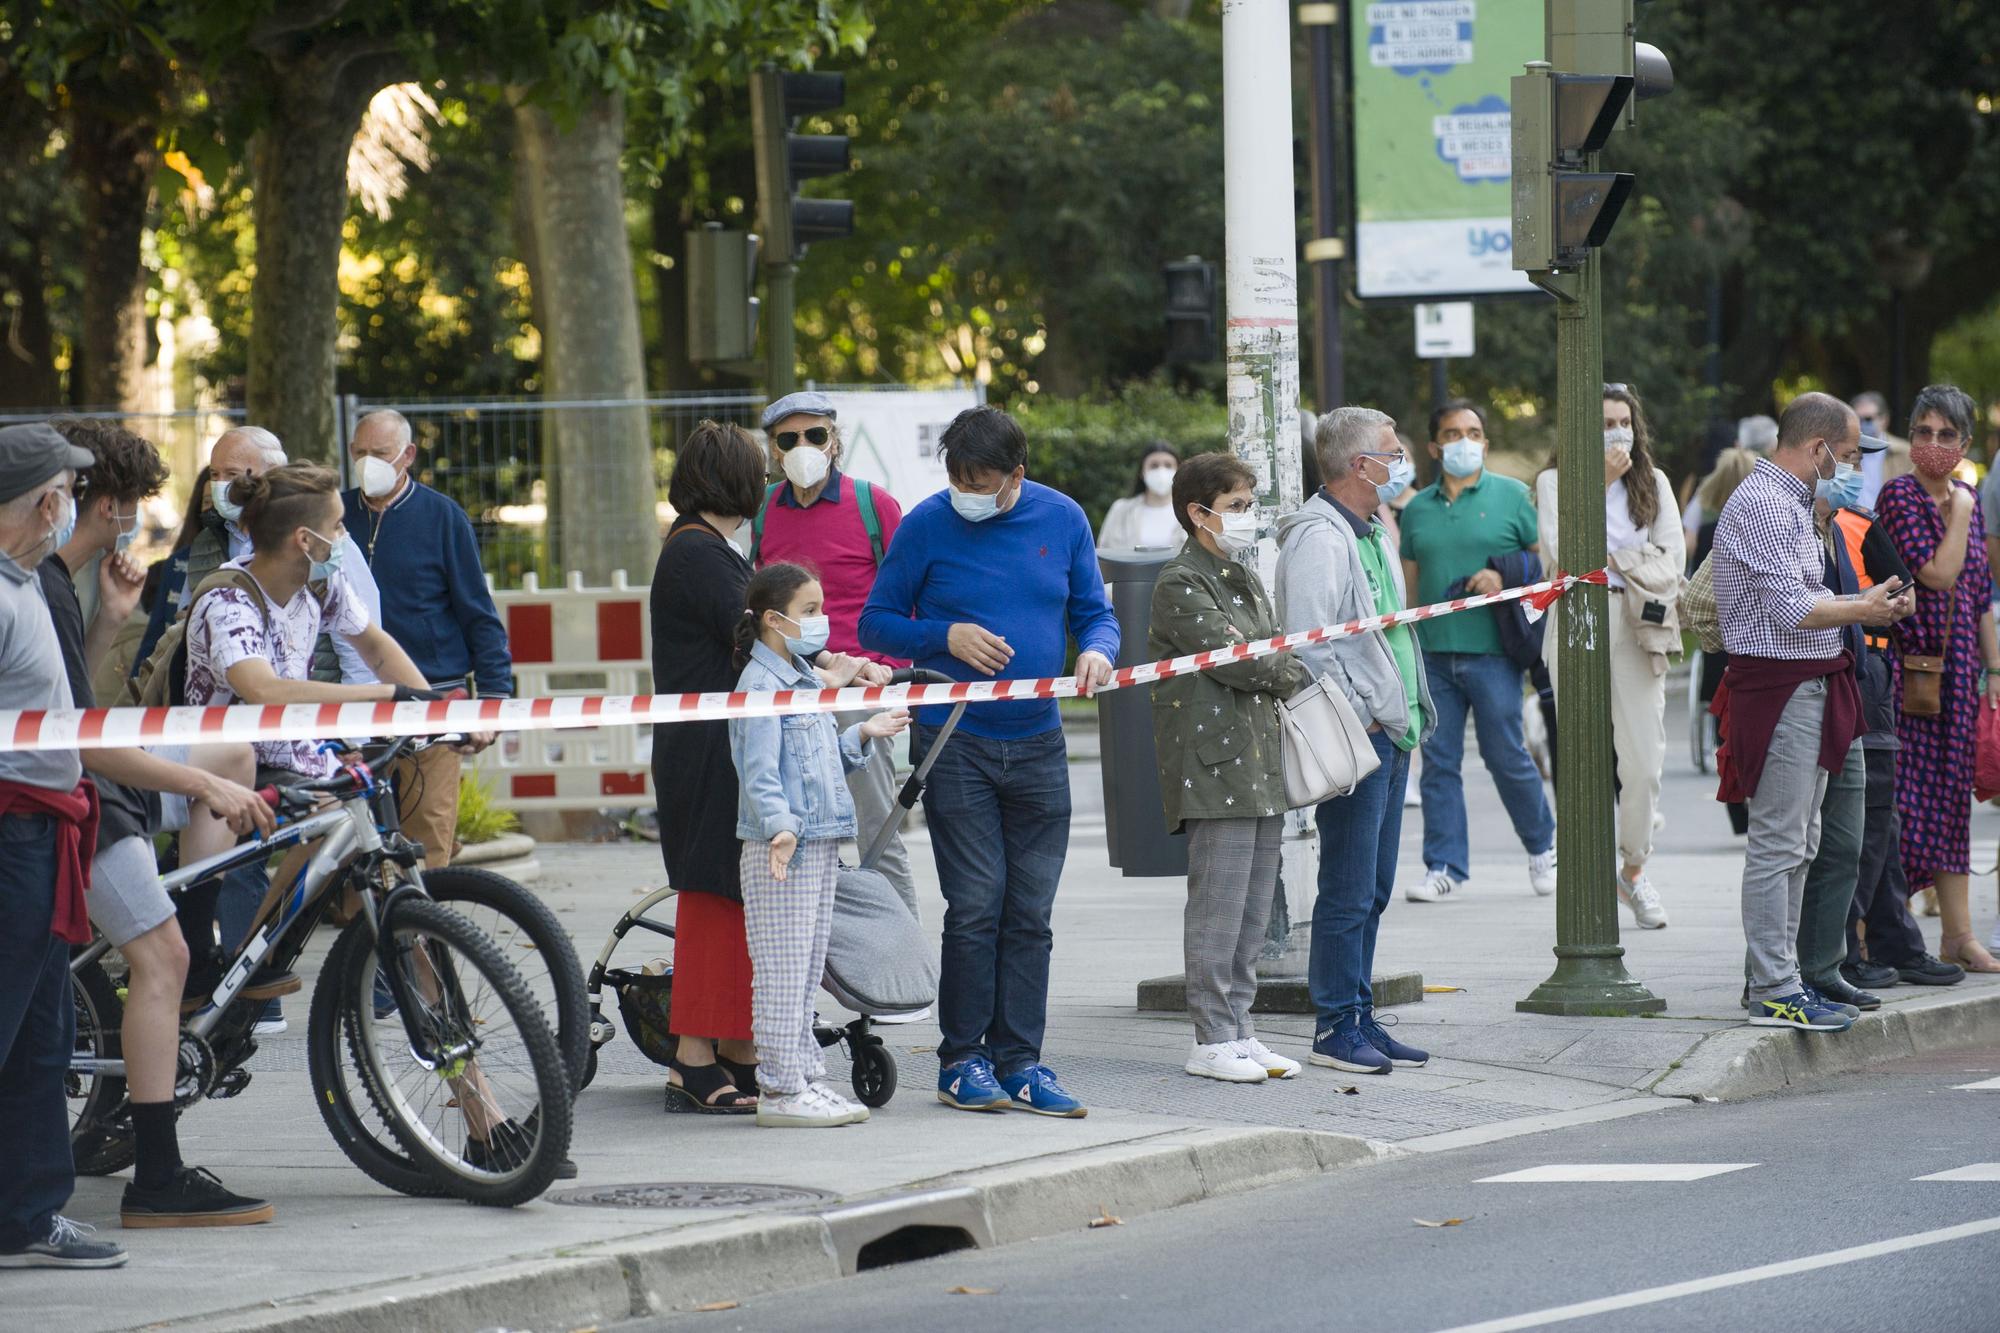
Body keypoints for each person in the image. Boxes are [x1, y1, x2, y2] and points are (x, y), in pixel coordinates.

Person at [40, 418, 276, 1227]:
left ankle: (199, 938)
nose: (135, 517)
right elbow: (78, 740)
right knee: (158, 956)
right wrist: (192, 780)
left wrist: (110, 617)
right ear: (104, 503)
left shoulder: (61, 582)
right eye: (133, 500)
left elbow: (71, 708)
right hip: (76, 799)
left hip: (90, 782)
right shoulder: (39, 584)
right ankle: (158, 1174)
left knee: (233, 753)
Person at [859, 405, 1118, 1118]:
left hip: (1039, 739)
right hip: (955, 741)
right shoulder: (925, 524)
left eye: (980, 483)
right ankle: (961, 1058)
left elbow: (1095, 612)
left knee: (1030, 911)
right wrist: (944, 636)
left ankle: (1021, 1060)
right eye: (957, 479)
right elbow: (875, 623)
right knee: (976, 904)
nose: (965, 494)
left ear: (1016, 476)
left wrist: (1098, 651)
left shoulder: (1062, 518)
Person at [139, 426, 377, 1035]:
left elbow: (372, 645)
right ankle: (208, 960)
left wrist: (429, 705)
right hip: (218, 749)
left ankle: (256, 957)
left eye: (234, 474)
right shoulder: (226, 588)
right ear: (304, 537)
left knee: (342, 808)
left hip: (282, 740)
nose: (345, 536)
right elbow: (263, 688)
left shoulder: (319, 578)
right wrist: (382, 698)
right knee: (237, 789)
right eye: (339, 525)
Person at [1710, 392, 1911, 1032]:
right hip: (1780, 688)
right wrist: (1866, 608)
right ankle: (1773, 989)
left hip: (1810, 683)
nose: (1850, 468)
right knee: (1780, 844)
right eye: (1846, 455)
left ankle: (1788, 981)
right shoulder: (1766, 503)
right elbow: (1792, 608)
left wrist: (1867, 606)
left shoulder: (1794, 503)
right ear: (1818, 448)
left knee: (1803, 843)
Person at [0, 423, 128, 1268]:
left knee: (42, 1038)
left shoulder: (27, 583)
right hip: (14, 839)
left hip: (43, 837)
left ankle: (28, 1213)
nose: (75, 506)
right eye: (71, 492)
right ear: (47, 503)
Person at [1275, 408, 1435, 1076]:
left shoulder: (1371, 529)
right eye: (1391, 454)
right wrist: (1361, 713)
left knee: (1373, 886)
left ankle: (1360, 1013)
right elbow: (1309, 642)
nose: (1401, 465)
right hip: (1360, 735)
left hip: (1392, 732)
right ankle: (1336, 1025)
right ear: (1358, 465)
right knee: (1347, 885)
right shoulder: (1319, 536)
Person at [729, 563, 910, 1126]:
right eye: (809, 611)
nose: (821, 621)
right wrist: (779, 827)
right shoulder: (760, 686)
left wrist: (862, 735)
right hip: (785, 848)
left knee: (805, 972)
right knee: (782, 975)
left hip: (818, 841)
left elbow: (817, 760)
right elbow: (758, 770)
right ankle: (781, 1089)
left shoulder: (801, 680)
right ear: (772, 619)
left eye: (820, 609)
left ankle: (804, 1079)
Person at [1149, 452, 1308, 1084]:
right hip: (1213, 765)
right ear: (1199, 512)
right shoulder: (1180, 581)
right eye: (1236, 506)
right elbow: (1243, 659)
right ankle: (1211, 1038)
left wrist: (1277, 662)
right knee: (1218, 907)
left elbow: (1267, 649)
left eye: (1248, 504)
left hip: (1259, 759)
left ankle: (1240, 1028)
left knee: (1251, 910)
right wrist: (1288, 668)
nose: (1248, 516)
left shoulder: (1241, 574)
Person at [749, 391, 917, 918]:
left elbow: (910, 593)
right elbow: (753, 600)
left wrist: (888, 667)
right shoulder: (761, 512)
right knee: (787, 825)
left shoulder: (874, 505)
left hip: (860, 689)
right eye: (789, 438)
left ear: (835, 441)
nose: (803, 446)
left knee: (876, 826)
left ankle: (902, 952)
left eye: (815, 434)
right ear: (774, 450)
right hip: (788, 688)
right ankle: (807, 945)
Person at [650, 422, 769, 1113]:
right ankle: (692, 1059)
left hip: (714, 746)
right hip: (707, 752)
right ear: (735, 480)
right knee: (712, 898)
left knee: (737, 896)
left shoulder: (704, 548)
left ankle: (737, 1048)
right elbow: (757, 634)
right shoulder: (700, 553)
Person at [1534, 385, 1683, 929]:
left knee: (1643, 759)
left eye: (1623, 422)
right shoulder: (1554, 483)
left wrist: (1617, 561)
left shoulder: (1654, 482)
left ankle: (1634, 869)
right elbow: (1565, 556)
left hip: (1640, 621)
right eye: (1603, 424)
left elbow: (1672, 561)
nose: (1616, 433)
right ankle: (1584, 875)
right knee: (1581, 756)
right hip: (1578, 617)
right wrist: (1596, 486)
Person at [1396, 397, 1556, 903]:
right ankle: (1444, 866)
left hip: (1495, 652)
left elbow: (1545, 566)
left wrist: (1503, 574)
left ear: (1485, 443)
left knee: (1505, 755)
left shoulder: (1513, 497)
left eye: (1472, 433)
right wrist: (1408, 650)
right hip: (1434, 654)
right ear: (1433, 447)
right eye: (1451, 434)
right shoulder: (1416, 509)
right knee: (1438, 761)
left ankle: (1543, 847)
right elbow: (1411, 585)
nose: (1462, 442)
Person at [342, 410, 506, 872]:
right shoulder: (335, 517)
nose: (368, 463)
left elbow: (479, 615)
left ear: (408, 455)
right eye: (360, 453)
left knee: (427, 846)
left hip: (432, 705)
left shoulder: (443, 518)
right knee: (354, 851)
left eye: (380, 453)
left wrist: (493, 701)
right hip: (352, 705)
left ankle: (426, 920)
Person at [1821, 477, 1966, 996]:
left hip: (1868, 670)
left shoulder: (1856, 521)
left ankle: (1891, 942)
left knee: (1879, 813)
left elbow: (1907, 594)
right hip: (1825, 670)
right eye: (1846, 457)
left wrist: (1886, 605)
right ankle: (1844, 950)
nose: (1851, 470)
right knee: (1849, 820)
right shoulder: (1789, 520)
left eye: (1856, 459)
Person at [1876, 383, 2000, 972]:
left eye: (1946, 434)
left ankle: (1958, 936)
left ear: (1964, 443)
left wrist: (1994, 670)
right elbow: (1939, 574)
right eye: (1923, 432)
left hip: (1958, 677)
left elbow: (1978, 597)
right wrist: (1965, 513)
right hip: (1910, 674)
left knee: (1952, 804)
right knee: (1903, 806)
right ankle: (1878, 932)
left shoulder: (1965, 497)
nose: (1933, 443)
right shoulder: (1900, 497)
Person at [1097, 444, 1183, 551]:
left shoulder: (1190, 512)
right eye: (1154, 466)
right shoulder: (1121, 509)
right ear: (1142, 472)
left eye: (1168, 465)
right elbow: (1103, 550)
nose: (1161, 471)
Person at [1852, 390, 1912, 509]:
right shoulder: (1844, 452)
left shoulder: (1904, 452)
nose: (1862, 424)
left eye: (1868, 419)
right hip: (1852, 518)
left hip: (1890, 517)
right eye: (1857, 419)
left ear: (1884, 419)